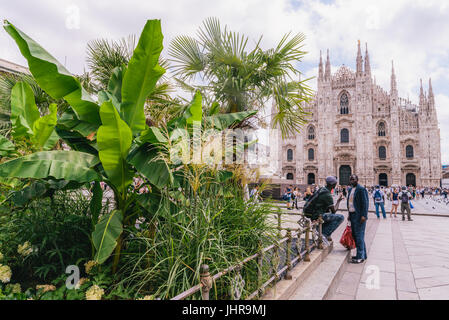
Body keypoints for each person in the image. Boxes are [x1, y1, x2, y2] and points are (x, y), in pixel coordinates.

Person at [304, 176, 345, 244]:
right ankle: (324, 234)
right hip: (317, 216)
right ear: (332, 185)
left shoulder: (321, 189)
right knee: (340, 217)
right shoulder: (327, 194)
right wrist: (338, 201)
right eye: (335, 183)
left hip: (311, 214)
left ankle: (320, 230)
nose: (336, 185)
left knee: (329, 215)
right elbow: (333, 211)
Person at [347, 174, 369, 264]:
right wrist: (349, 213)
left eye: (353, 179)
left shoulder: (361, 189)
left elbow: (365, 203)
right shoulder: (351, 189)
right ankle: (363, 254)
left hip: (359, 215)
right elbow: (351, 202)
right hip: (352, 214)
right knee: (357, 235)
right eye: (351, 179)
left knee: (359, 235)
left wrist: (364, 215)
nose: (352, 181)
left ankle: (360, 257)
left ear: (357, 180)